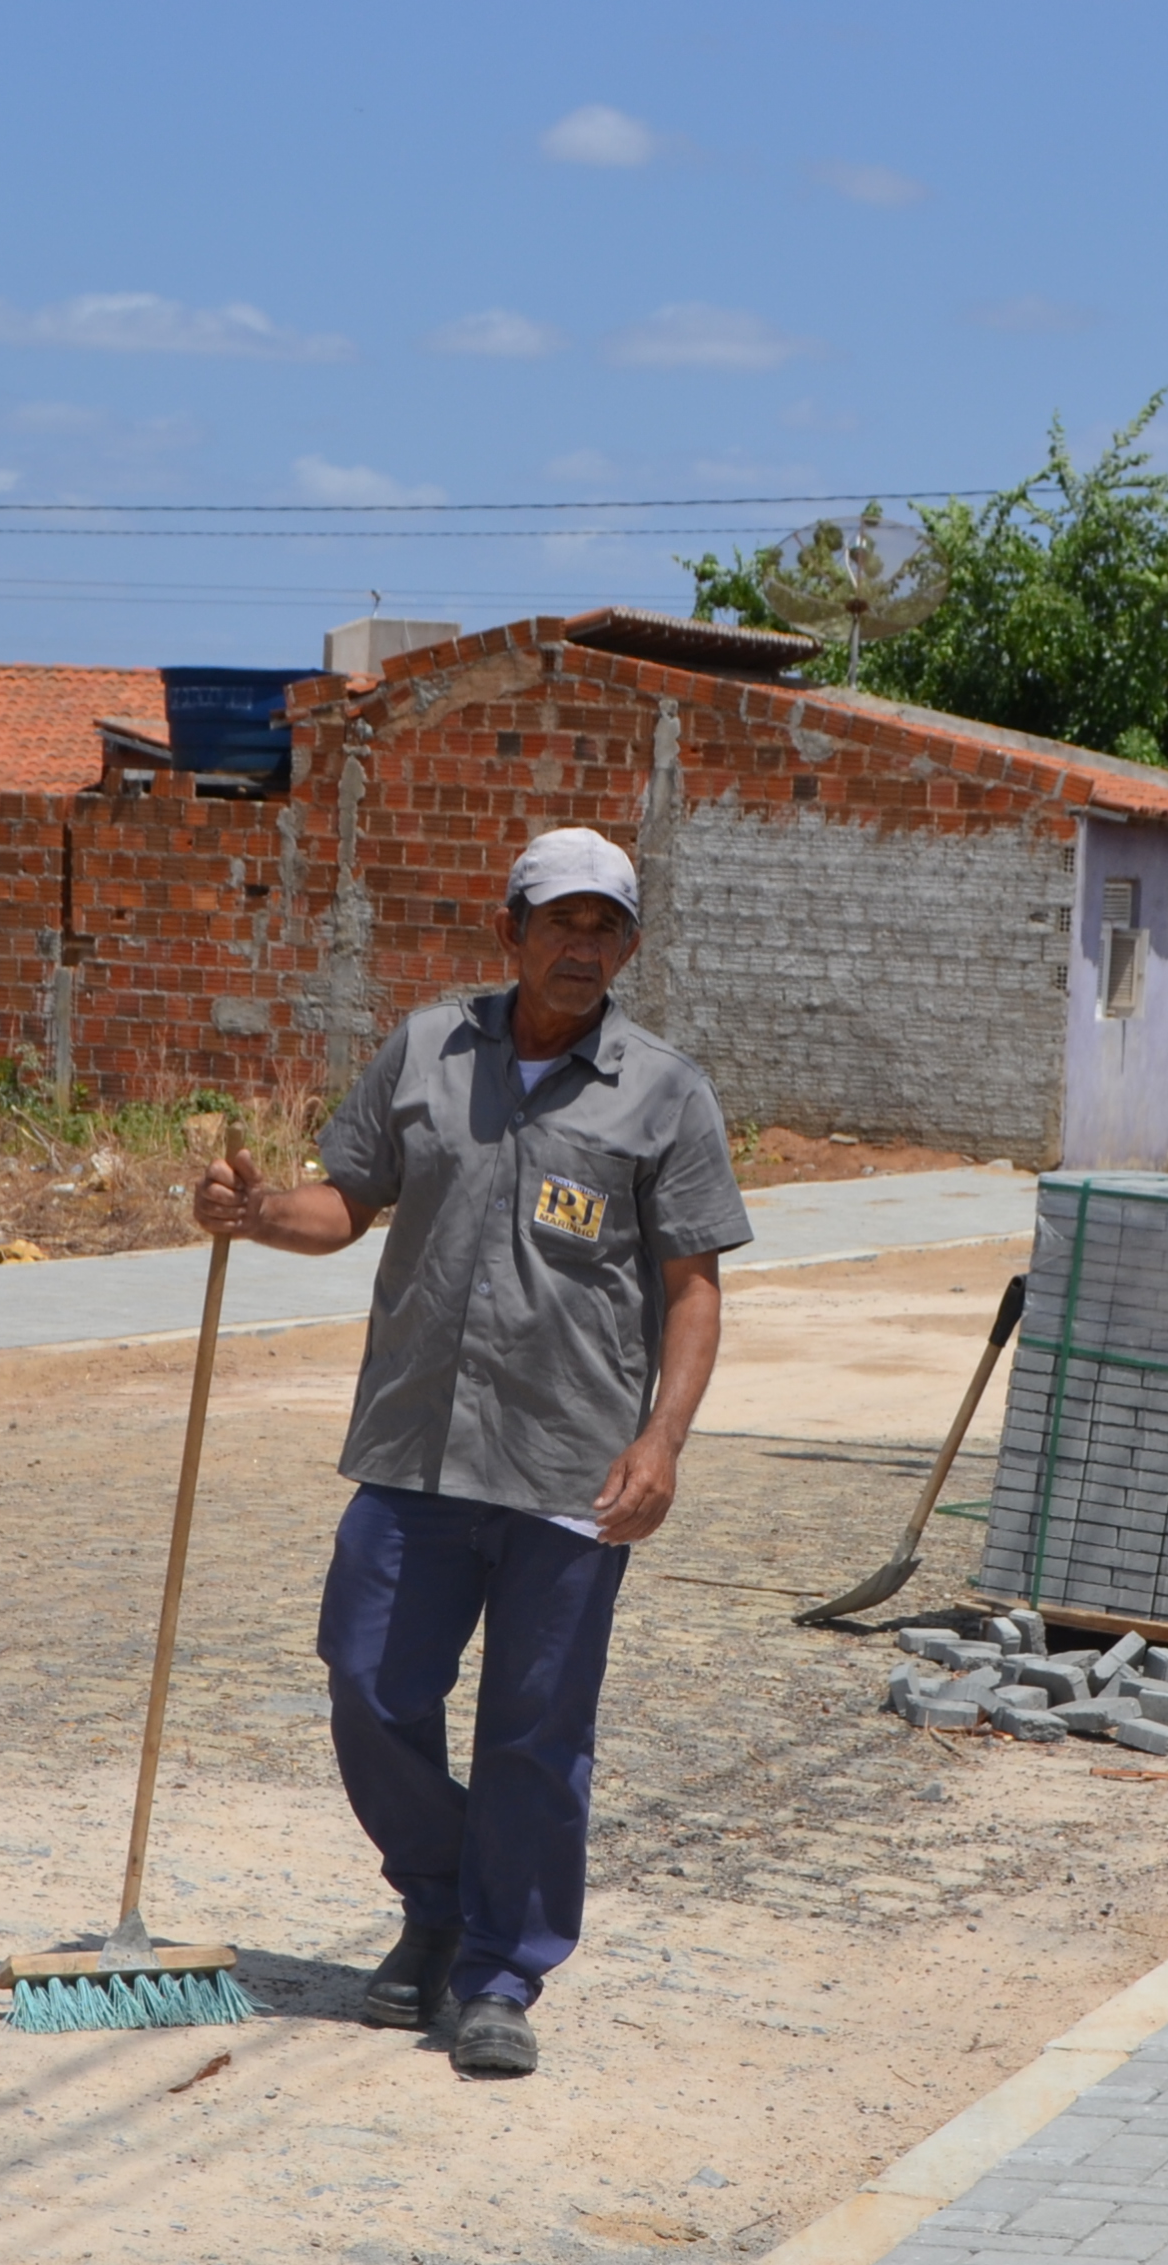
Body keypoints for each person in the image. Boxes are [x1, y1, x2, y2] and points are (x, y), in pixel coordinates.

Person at [190, 827, 753, 2079]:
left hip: (574, 1468)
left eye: (607, 926)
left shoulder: (667, 1091)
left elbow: (693, 1289)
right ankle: (438, 1898)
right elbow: (345, 1200)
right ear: (511, 930)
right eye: (562, 921)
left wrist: (664, 1440)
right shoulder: (427, 1050)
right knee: (369, 1684)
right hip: (414, 1444)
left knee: (534, 1731)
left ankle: (502, 1971)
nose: (583, 946)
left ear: (630, 947)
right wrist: (258, 1213)